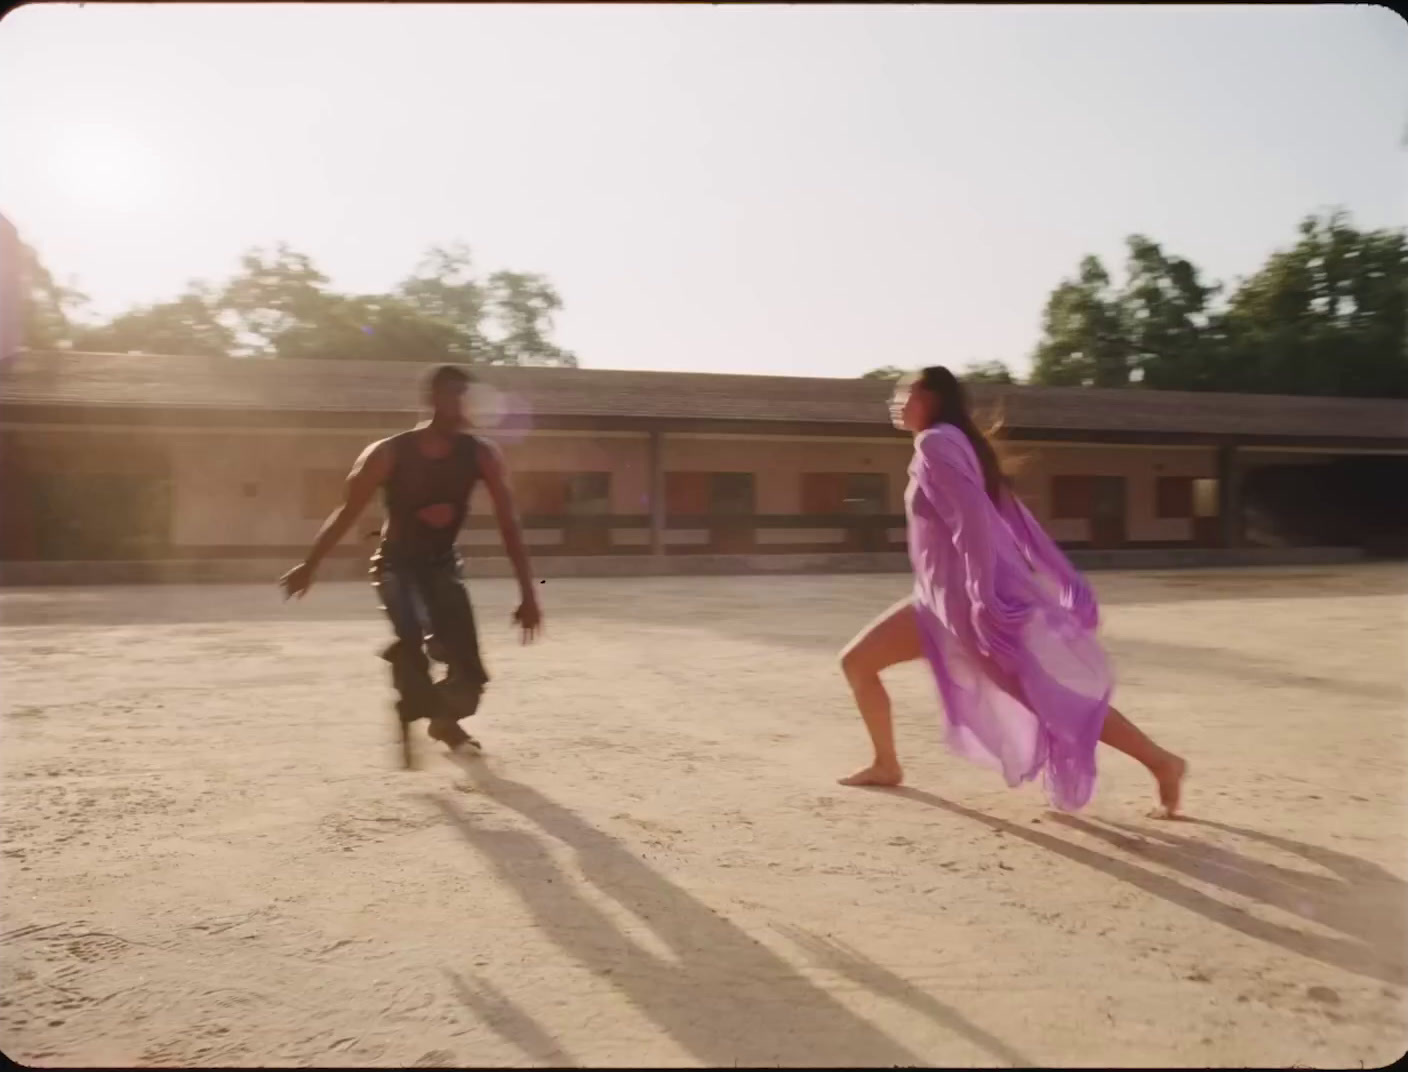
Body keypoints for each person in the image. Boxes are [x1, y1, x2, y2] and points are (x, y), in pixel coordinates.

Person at [838, 366, 1186, 816]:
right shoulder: (957, 444)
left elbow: (975, 521)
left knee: (1050, 700)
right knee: (857, 661)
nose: (897, 402)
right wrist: (1051, 575)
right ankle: (886, 764)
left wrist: (984, 595)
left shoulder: (936, 443)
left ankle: (1162, 763)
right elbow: (1007, 515)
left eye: (905, 393)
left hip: (965, 607)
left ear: (929, 398)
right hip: (936, 602)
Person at [279, 364, 542, 755]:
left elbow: (509, 523)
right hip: (396, 566)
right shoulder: (388, 453)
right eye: (457, 396)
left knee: (468, 667)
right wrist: (311, 564)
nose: (467, 406)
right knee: (414, 642)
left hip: (442, 564)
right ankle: (411, 691)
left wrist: (528, 594)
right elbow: (348, 511)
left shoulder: (481, 454)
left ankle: (441, 718)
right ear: (435, 399)